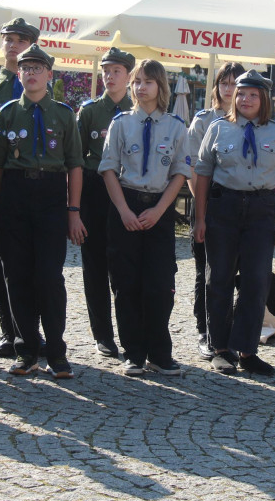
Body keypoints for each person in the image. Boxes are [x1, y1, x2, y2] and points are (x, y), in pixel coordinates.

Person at [0, 44, 85, 379]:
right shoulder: (8, 113)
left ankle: (56, 351)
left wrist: (73, 211)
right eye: (26, 68)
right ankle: (26, 350)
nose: (32, 73)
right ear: (19, 73)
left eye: (38, 68)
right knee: (17, 276)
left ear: (50, 75)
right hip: (15, 195)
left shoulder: (65, 115)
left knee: (50, 277)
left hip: (52, 196)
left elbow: (75, 167)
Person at [193, 69, 275, 376]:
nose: (245, 99)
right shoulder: (217, 128)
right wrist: (199, 218)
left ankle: (248, 350)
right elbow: (202, 175)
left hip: (262, 210)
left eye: (252, 94)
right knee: (219, 278)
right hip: (223, 207)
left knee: (256, 280)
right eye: (240, 94)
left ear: (264, 99)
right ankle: (220, 349)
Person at [99, 59, 191, 376]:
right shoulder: (121, 123)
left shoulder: (176, 126)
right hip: (125, 205)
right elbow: (108, 169)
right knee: (126, 284)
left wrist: (159, 210)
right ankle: (133, 353)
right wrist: (124, 210)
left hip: (159, 209)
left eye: (148, 82)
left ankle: (159, 353)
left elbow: (180, 173)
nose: (141, 87)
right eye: (137, 81)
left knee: (160, 284)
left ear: (160, 86)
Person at [0, 17, 40, 358]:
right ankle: (7, 329)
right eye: (8, 39)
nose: (13, 44)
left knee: (33, 260)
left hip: (31, 186)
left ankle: (31, 330)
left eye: (21, 39)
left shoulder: (42, 89)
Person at [77, 47, 135, 359]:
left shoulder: (138, 110)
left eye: (116, 71)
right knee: (95, 264)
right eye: (106, 71)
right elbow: (75, 158)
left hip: (128, 189)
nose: (109, 77)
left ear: (129, 76)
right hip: (96, 190)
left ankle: (129, 330)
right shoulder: (89, 112)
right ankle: (103, 334)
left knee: (124, 265)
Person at [186, 62, 244, 360]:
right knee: (204, 270)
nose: (229, 88)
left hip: (238, 208)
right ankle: (205, 330)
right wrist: (204, 206)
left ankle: (228, 330)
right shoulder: (203, 120)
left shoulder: (249, 122)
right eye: (224, 82)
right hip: (207, 202)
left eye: (235, 83)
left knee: (232, 271)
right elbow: (193, 169)